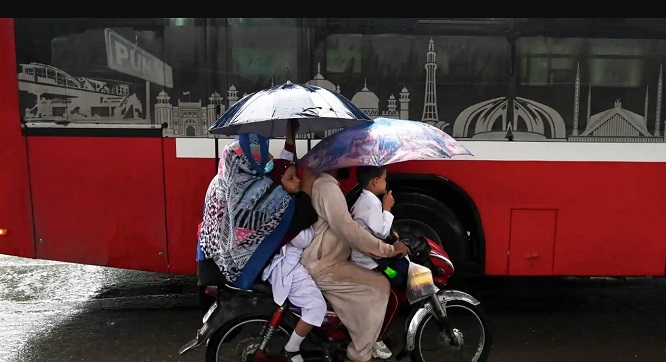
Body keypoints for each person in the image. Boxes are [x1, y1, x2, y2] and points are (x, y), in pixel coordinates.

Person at [300, 167, 409, 362]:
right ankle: (360, 354)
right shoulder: (328, 188)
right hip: (326, 265)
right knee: (380, 285)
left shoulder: (327, 185)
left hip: (328, 258)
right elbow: (350, 232)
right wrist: (389, 250)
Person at [261, 138, 324, 362]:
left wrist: (290, 136)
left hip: (290, 263)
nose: (297, 181)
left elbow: (285, 161)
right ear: (279, 183)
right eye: (291, 178)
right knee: (317, 306)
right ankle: (292, 348)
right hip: (286, 267)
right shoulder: (285, 209)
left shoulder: (280, 199)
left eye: (296, 176)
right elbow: (302, 239)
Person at [348, 165, 398, 360]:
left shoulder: (366, 200)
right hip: (367, 263)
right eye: (384, 178)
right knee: (390, 292)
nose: (386, 182)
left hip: (367, 258)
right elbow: (380, 232)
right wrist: (387, 208)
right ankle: (374, 338)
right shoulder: (369, 203)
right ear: (375, 181)